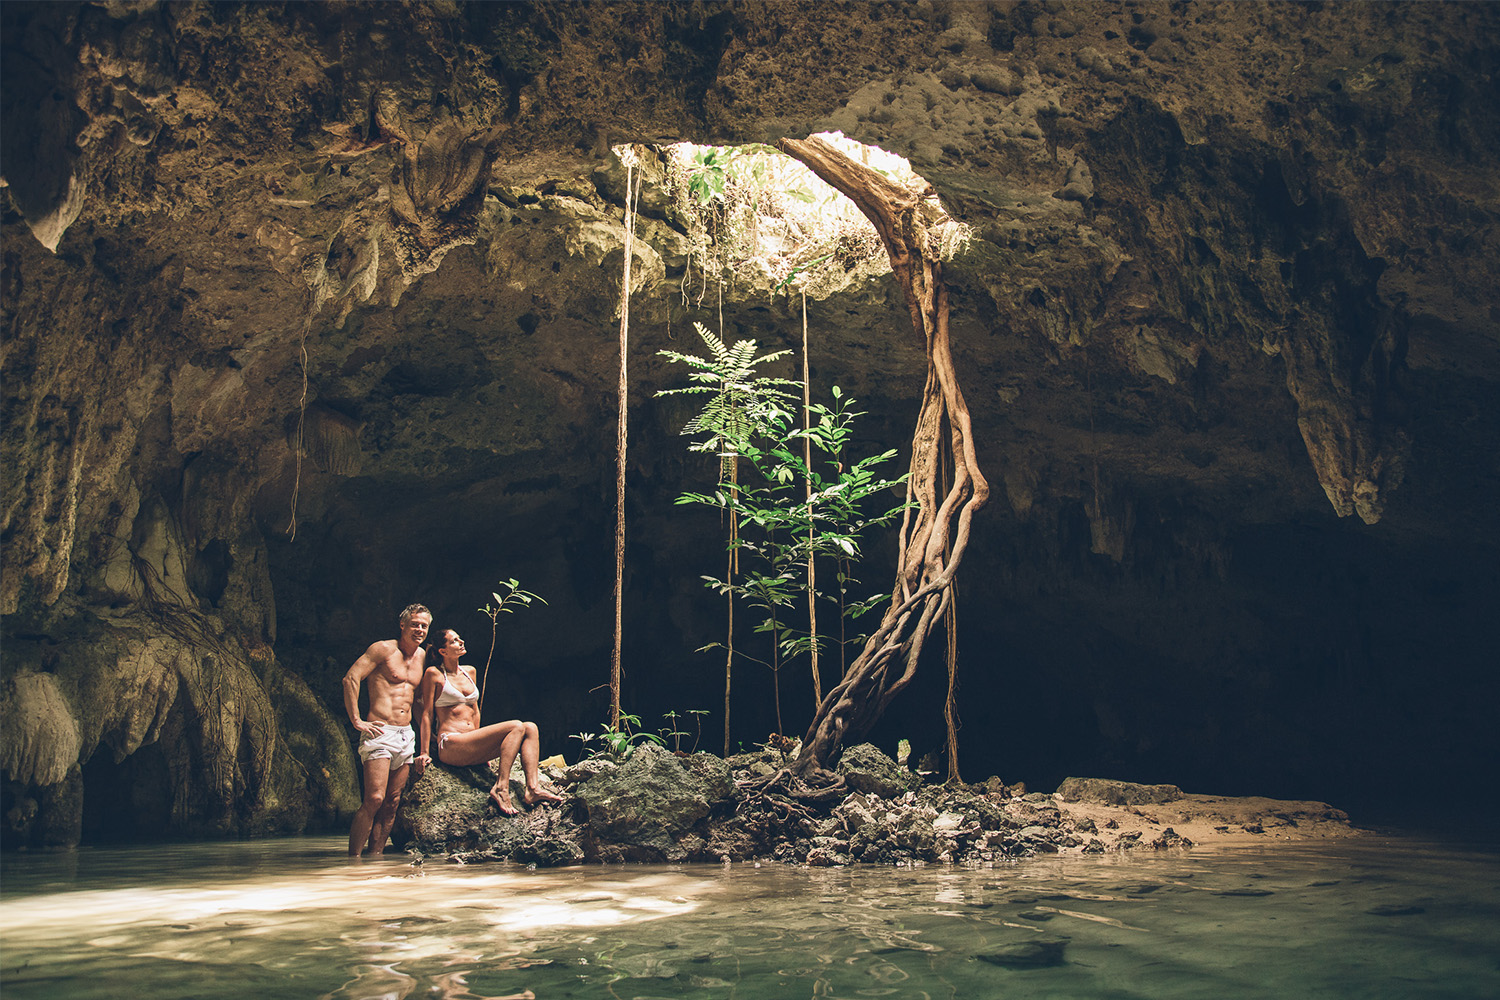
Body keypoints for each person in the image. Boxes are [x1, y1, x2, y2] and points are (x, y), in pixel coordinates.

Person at [418, 627, 563, 814]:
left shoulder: (470, 671)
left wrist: (481, 748)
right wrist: (424, 751)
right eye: (454, 640)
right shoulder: (434, 674)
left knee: (530, 728)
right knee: (516, 726)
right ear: (443, 651)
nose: (461, 642)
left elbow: (474, 711)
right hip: (451, 743)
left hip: (469, 743)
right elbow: (426, 714)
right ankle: (501, 788)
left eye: (460, 638)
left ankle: (532, 789)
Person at [343, 603, 432, 856]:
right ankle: (354, 863)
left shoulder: (423, 657)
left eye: (424, 625)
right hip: (380, 733)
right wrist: (357, 721)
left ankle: (376, 860)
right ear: (402, 624)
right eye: (415, 624)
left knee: (392, 803)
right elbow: (351, 678)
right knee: (374, 799)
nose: (419, 629)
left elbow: (417, 701)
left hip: (406, 735)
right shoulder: (383, 649)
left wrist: (428, 740)